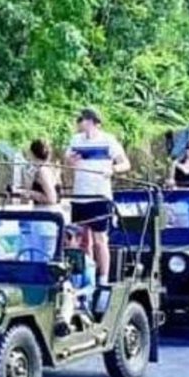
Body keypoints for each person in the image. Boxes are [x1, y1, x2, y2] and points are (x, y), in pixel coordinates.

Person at [65, 108, 129, 283]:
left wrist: (112, 169)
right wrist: (71, 161)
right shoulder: (75, 140)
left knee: (100, 239)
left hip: (100, 196)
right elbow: (68, 161)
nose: (80, 122)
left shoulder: (108, 140)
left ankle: (103, 278)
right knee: (82, 239)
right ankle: (86, 276)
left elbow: (125, 163)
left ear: (92, 121)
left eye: (83, 119)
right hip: (80, 196)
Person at [25, 139, 60, 206]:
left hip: (46, 213)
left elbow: (52, 199)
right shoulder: (50, 168)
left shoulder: (43, 171)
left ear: (32, 154)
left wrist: (29, 193)